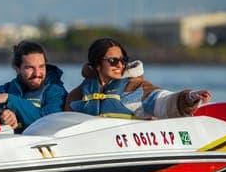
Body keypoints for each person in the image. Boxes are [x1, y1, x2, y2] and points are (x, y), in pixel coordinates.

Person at [65, 37, 211, 118]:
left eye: (123, 60)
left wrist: (189, 98)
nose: (119, 65)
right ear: (97, 63)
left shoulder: (136, 88)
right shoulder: (77, 96)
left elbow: (161, 100)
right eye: (113, 61)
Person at [0, 41, 67, 132]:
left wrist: (10, 99)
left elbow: (47, 121)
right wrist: (4, 116)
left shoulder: (57, 93)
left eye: (41, 66)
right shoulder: (0, 92)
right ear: (17, 69)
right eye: (30, 68)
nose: (37, 73)